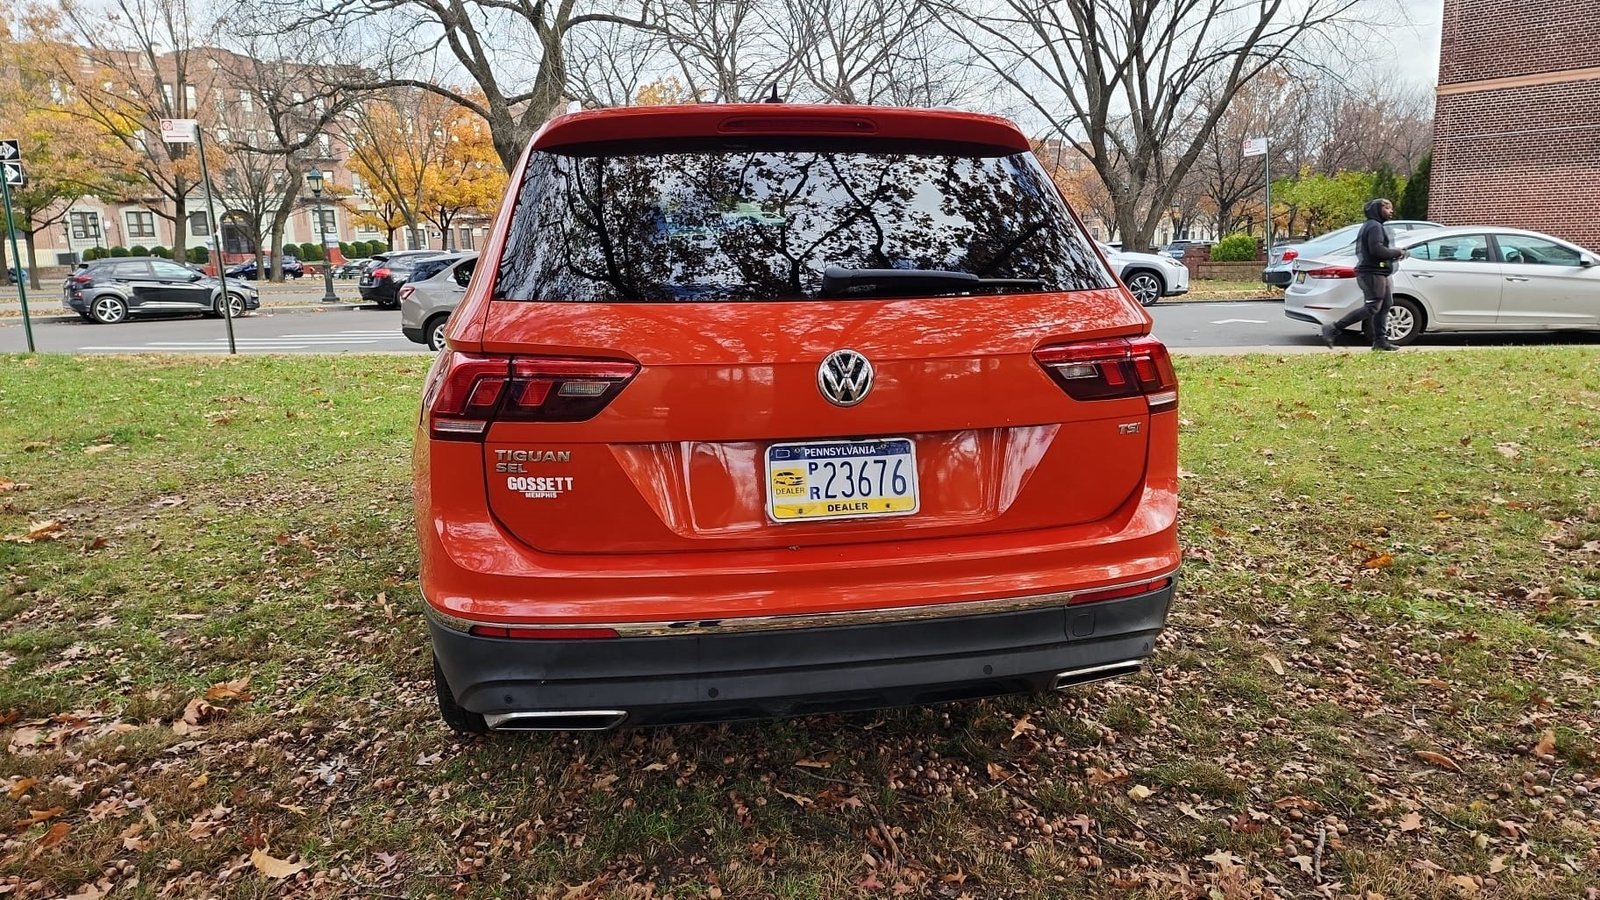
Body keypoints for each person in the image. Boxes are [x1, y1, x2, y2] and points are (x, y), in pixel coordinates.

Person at [1320, 198, 1407, 351]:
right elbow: (1377, 250)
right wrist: (1397, 252)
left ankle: (1380, 341)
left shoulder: (1374, 225)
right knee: (1373, 307)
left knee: (1386, 304)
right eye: (1387, 207)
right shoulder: (1374, 226)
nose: (1391, 211)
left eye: (1391, 208)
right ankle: (1333, 329)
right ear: (1377, 209)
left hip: (1379, 272)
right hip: (1372, 273)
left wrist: (1393, 254)